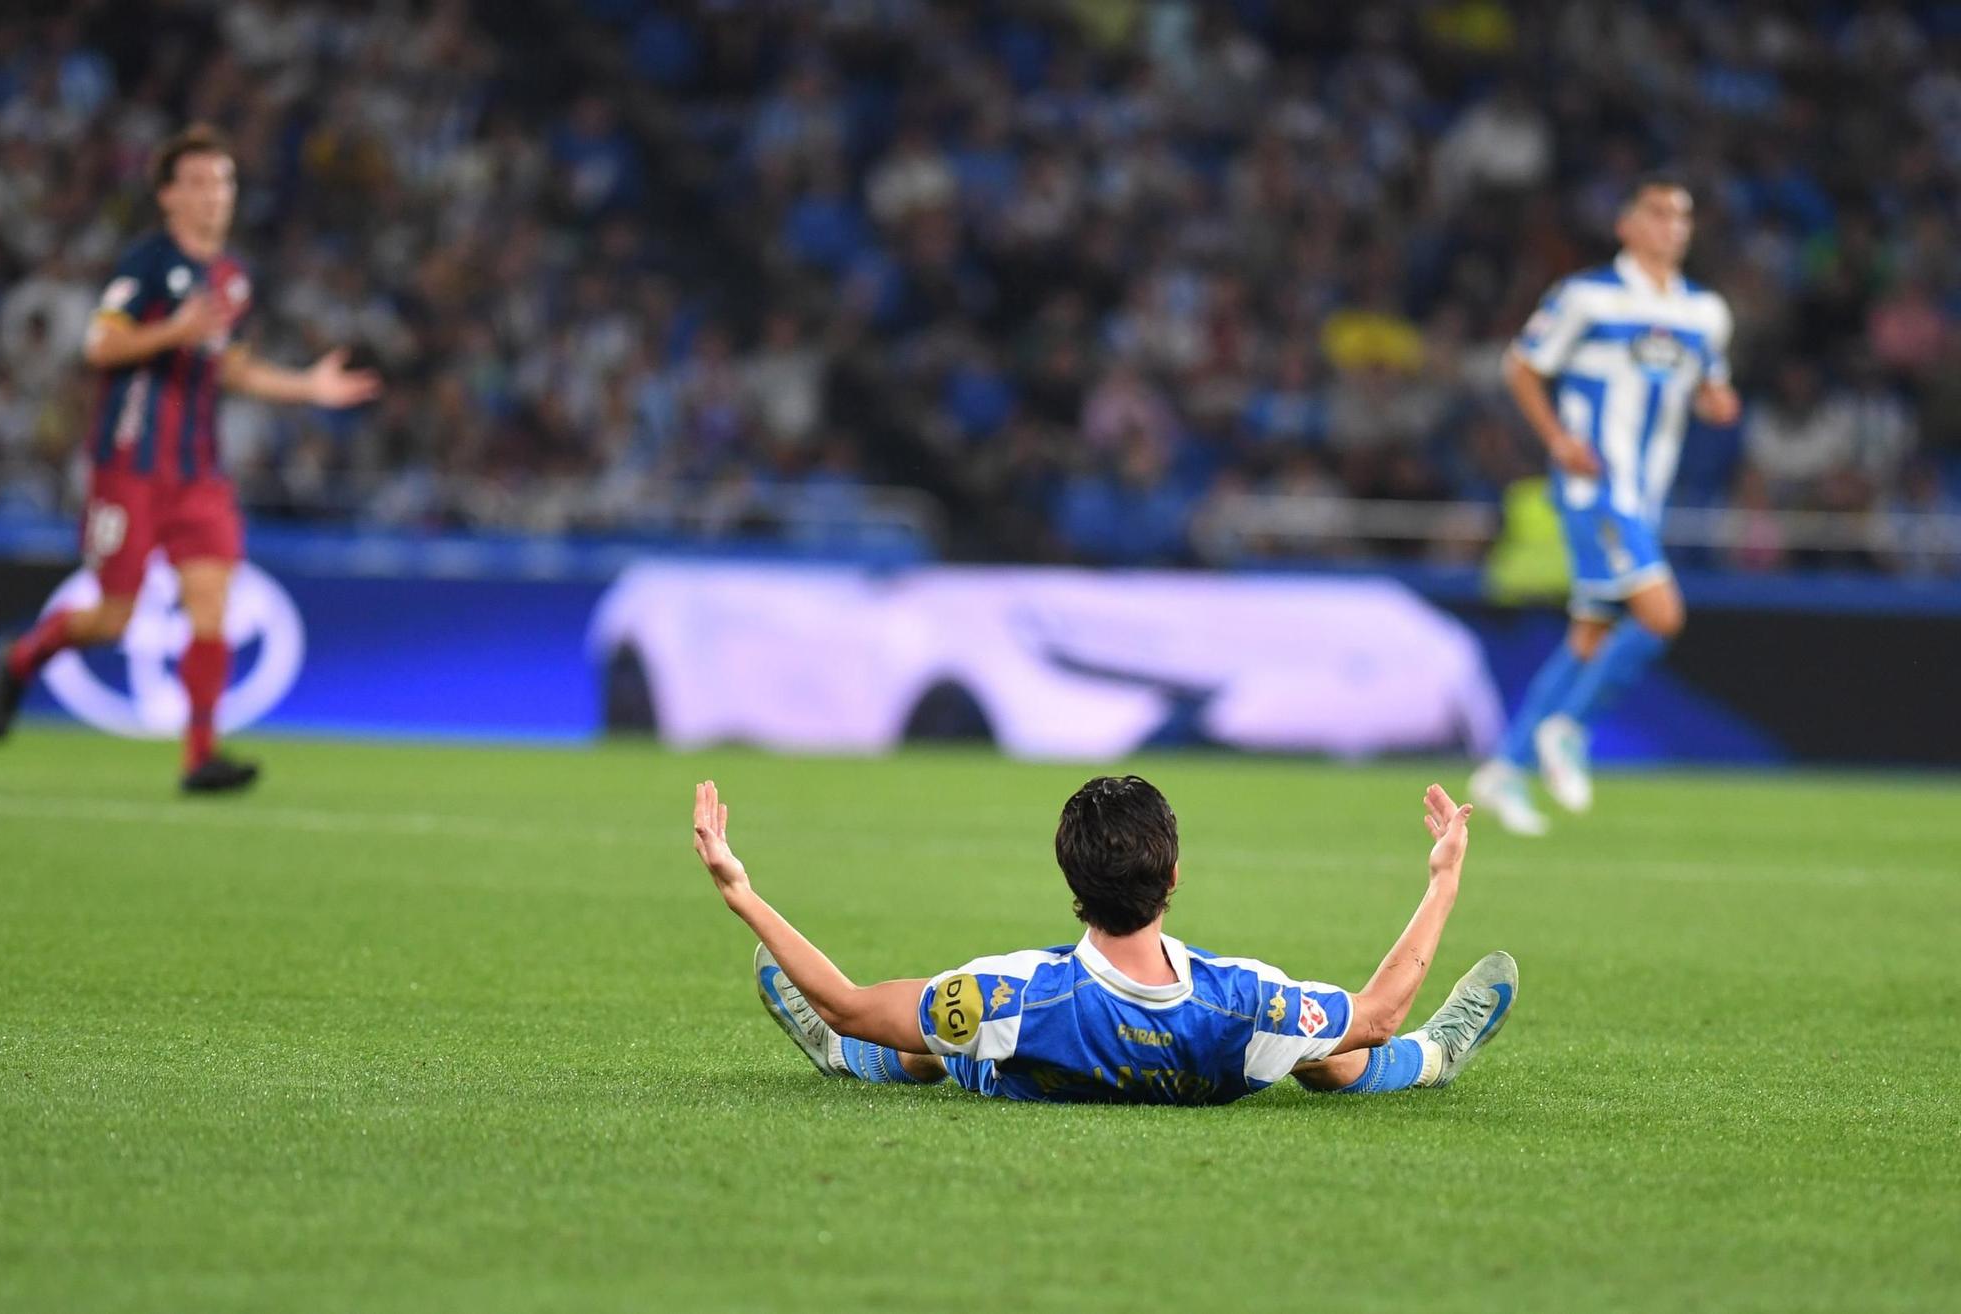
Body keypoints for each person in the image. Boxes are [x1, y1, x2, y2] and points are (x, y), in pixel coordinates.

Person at [691, 774, 1516, 1106]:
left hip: (1030, 1050)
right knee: (1326, 1053)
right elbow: (1379, 1011)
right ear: (1175, 875)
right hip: (1220, 1050)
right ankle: (1433, 1058)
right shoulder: (1246, 999)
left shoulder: (1012, 995)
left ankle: (846, 1060)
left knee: (930, 1036)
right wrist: (1443, 878)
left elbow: (844, 1001)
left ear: (1072, 882)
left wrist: (742, 894)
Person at [0, 124, 380, 791]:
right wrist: (173, 329)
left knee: (211, 603)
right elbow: (100, 346)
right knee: (113, 618)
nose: (212, 195)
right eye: (196, 182)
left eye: (222, 182)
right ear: (167, 196)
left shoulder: (232, 279)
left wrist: (307, 387)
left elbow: (232, 367)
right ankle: (22, 658)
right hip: (128, 467)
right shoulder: (146, 263)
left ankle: (200, 756)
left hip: (199, 472)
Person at [1471, 177, 1741, 834]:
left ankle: (1504, 769)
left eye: (1682, 215)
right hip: (1596, 488)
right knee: (1661, 614)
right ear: (1626, 225)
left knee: (1590, 637)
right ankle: (1567, 727)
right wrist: (1559, 441)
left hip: (1645, 497)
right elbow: (1521, 366)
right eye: (1658, 213)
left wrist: (1718, 403)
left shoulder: (1706, 313)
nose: (1672, 225)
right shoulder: (1586, 297)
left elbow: (1712, 388)